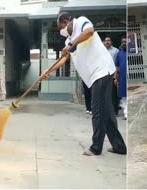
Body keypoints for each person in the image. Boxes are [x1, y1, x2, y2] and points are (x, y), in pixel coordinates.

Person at [41, 12, 126, 156]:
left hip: (102, 71)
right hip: (96, 76)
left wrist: (72, 44)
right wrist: (48, 71)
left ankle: (96, 147)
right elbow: (63, 59)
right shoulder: (69, 40)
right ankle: (119, 147)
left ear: (66, 21)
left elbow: (89, 32)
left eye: (60, 27)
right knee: (107, 113)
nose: (61, 31)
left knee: (97, 110)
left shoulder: (81, 22)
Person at [104, 37, 120, 115]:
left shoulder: (116, 51)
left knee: (113, 93)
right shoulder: (101, 51)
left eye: (108, 40)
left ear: (111, 42)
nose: (107, 42)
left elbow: (118, 63)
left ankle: (115, 110)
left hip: (113, 74)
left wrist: (117, 76)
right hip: (104, 74)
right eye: (105, 41)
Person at [115, 38, 127, 120]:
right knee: (123, 97)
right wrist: (116, 78)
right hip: (122, 79)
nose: (124, 43)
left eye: (125, 42)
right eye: (122, 42)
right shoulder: (119, 54)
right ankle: (126, 114)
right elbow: (116, 66)